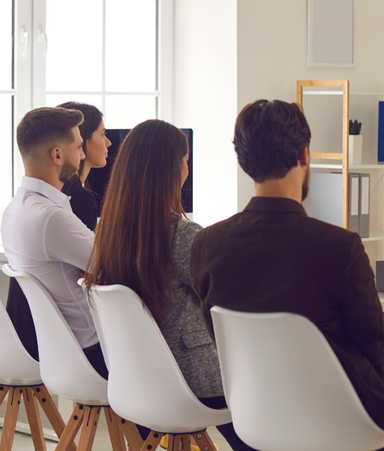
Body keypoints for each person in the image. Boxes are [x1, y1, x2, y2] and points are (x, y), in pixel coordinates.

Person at [190, 100, 384, 450]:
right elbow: (377, 348)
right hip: (342, 418)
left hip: (256, 415)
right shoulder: (340, 246)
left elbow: (222, 342)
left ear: (244, 161)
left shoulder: (206, 244)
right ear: (304, 155)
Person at [83, 119, 254, 451]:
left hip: (136, 383)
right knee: (269, 392)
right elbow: (229, 301)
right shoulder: (183, 235)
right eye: (186, 160)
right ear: (176, 168)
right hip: (194, 383)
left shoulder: (109, 234)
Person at [1, 107, 106, 374]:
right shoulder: (51, 218)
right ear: (57, 155)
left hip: (59, 351)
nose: (82, 155)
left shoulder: (15, 210)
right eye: (79, 147)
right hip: (90, 356)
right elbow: (113, 264)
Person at [58, 101, 111, 231]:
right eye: (102, 134)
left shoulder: (60, 190)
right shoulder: (79, 199)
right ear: (81, 139)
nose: (108, 143)